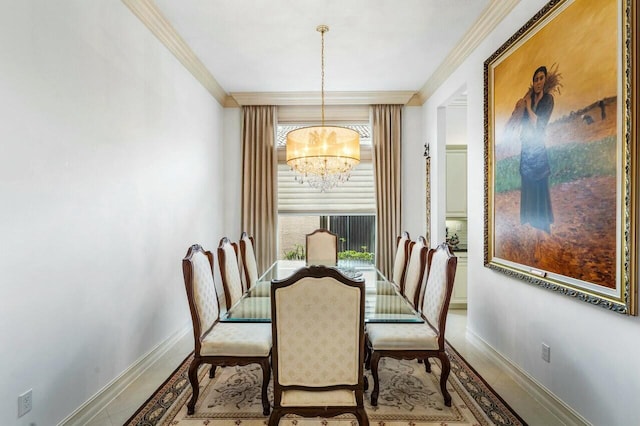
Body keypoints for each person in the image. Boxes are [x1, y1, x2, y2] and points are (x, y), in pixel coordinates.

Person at [516, 65, 554, 233]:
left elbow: (539, 124)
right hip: (526, 148)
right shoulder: (528, 99)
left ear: (545, 80)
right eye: (536, 79)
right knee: (527, 180)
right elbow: (521, 121)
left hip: (538, 148)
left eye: (541, 78)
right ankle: (529, 221)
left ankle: (542, 223)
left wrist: (529, 107)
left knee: (539, 180)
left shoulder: (548, 100)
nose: (538, 82)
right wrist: (521, 105)